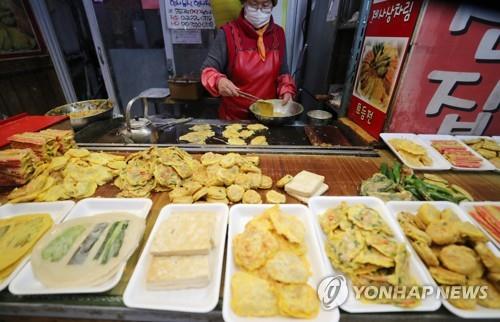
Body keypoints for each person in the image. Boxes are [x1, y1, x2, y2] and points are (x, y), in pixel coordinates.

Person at [201, 0, 296, 120]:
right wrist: (218, 81)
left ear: (273, 5)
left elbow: (283, 72)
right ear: (244, 3)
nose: (259, 10)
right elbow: (207, 70)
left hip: (268, 116)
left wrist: (286, 90)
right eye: (253, 4)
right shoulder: (228, 33)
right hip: (235, 119)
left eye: (265, 5)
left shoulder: (278, 33)